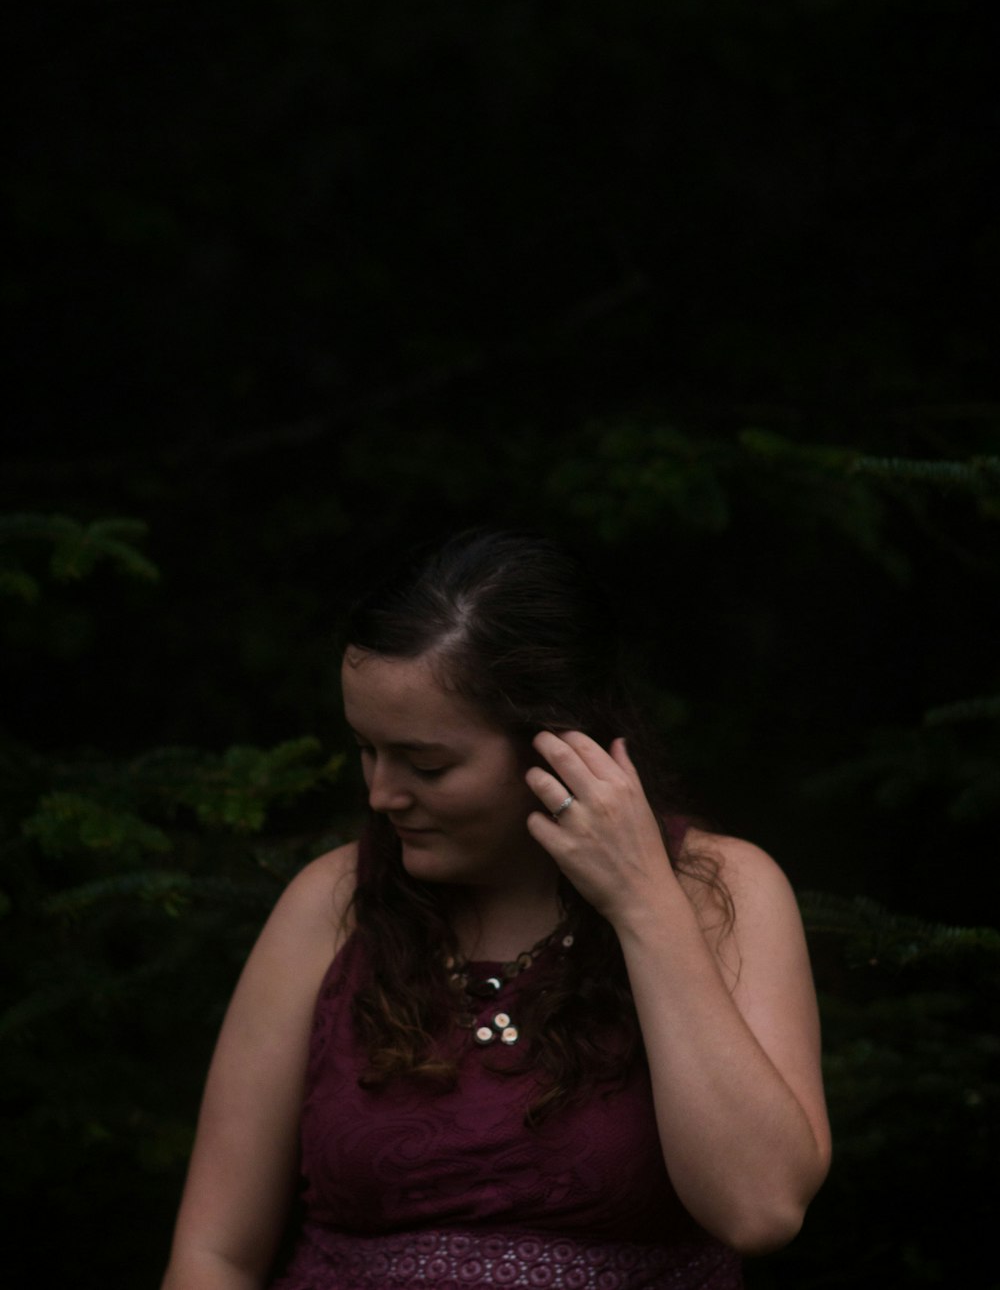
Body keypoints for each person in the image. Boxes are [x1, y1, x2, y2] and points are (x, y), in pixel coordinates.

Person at [161, 529, 830, 1290]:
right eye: (366, 749)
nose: (381, 795)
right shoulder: (333, 904)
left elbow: (761, 1208)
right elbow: (214, 1255)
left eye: (427, 763)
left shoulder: (720, 893)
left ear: (555, 743)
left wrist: (644, 904)